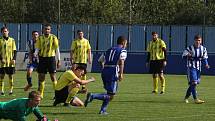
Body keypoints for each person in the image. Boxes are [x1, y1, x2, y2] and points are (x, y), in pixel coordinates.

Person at [84, 36, 127, 115]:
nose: (126, 45)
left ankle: (103, 110)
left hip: (105, 71)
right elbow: (121, 62)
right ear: (123, 42)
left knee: (109, 93)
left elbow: (100, 60)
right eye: (126, 43)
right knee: (111, 96)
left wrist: (104, 68)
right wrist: (121, 73)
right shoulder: (122, 50)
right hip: (113, 72)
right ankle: (93, 96)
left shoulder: (109, 49)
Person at [35, 24, 61, 98]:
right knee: (41, 76)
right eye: (46, 29)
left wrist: (59, 60)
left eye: (48, 29)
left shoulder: (53, 37)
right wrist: (35, 53)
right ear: (43, 30)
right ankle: (41, 94)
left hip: (51, 59)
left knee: (53, 76)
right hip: (42, 58)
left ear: (50, 30)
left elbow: (57, 49)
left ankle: (57, 94)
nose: (47, 30)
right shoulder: (40, 38)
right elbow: (37, 47)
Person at [182, 34, 210, 104]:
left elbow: (205, 57)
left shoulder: (203, 49)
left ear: (201, 41)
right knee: (194, 83)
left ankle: (186, 97)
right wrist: (188, 55)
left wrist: (206, 64)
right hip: (191, 67)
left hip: (198, 69)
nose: (198, 42)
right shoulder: (189, 48)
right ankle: (196, 99)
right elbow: (183, 56)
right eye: (196, 40)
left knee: (193, 84)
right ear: (194, 41)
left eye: (199, 40)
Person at [0, 27, 16, 96]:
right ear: (1, 32)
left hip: (10, 62)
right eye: (3, 31)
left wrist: (14, 59)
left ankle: (11, 91)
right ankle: (2, 91)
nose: (4, 32)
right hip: (2, 62)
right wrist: (1, 59)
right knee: (2, 76)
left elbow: (15, 50)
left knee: (10, 76)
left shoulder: (12, 40)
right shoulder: (0, 40)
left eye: (5, 31)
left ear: (8, 31)